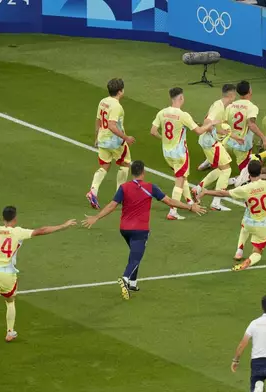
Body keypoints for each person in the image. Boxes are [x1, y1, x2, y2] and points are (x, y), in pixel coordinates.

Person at [82, 161, 206, 299]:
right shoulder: (151, 187)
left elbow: (111, 206)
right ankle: (125, 278)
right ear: (143, 172)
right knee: (136, 257)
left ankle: (133, 283)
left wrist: (97, 217)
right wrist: (190, 207)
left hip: (124, 229)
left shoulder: (124, 188)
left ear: (131, 173)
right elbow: (170, 201)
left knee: (135, 253)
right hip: (140, 230)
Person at [0, 201, 76, 341]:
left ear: (2, 218)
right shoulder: (18, 232)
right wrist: (63, 226)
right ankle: (10, 332)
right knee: (10, 302)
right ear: (15, 219)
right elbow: (41, 230)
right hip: (8, 276)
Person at [198, 160, 266, 271]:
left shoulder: (245, 189)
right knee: (257, 252)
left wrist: (207, 192)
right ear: (260, 171)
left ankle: (239, 250)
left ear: (248, 172)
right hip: (264, 225)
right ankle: (249, 261)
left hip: (249, 222)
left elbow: (223, 193)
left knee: (244, 223)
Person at [150, 87, 217, 220]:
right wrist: (210, 125)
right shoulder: (183, 115)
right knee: (179, 180)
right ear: (181, 98)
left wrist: (164, 139)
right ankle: (173, 211)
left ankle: (190, 201)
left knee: (182, 176)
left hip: (166, 153)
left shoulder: (162, 113)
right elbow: (198, 131)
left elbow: (153, 131)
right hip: (179, 153)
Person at [86, 78, 135, 210]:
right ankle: (120, 196)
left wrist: (96, 138)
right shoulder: (116, 106)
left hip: (102, 139)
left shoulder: (103, 102)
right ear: (120, 91)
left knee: (104, 166)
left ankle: (93, 191)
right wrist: (126, 138)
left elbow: (98, 121)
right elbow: (112, 126)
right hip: (115, 142)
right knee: (125, 164)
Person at [192, 84, 237, 211]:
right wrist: (213, 130)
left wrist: (219, 131)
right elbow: (207, 122)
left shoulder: (218, 104)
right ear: (231, 95)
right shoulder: (219, 107)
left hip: (208, 141)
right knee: (226, 169)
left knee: (220, 169)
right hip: (210, 142)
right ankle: (216, 203)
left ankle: (198, 188)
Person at [223, 81, 266, 187]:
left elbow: (224, 123)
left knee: (223, 166)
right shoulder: (252, 107)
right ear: (250, 91)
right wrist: (263, 138)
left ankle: (211, 162)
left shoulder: (230, 106)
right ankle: (238, 181)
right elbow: (251, 124)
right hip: (242, 146)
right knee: (247, 174)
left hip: (228, 142)